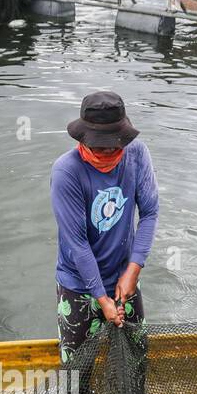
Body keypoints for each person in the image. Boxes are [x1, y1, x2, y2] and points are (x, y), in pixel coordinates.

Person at [50, 90, 159, 367]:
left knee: (135, 358)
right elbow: (77, 243)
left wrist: (133, 270)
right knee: (77, 368)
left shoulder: (136, 154)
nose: (109, 152)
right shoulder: (67, 172)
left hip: (124, 279)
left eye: (115, 146)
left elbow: (149, 213)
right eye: (100, 147)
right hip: (78, 285)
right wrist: (100, 297)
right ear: (83, 139)